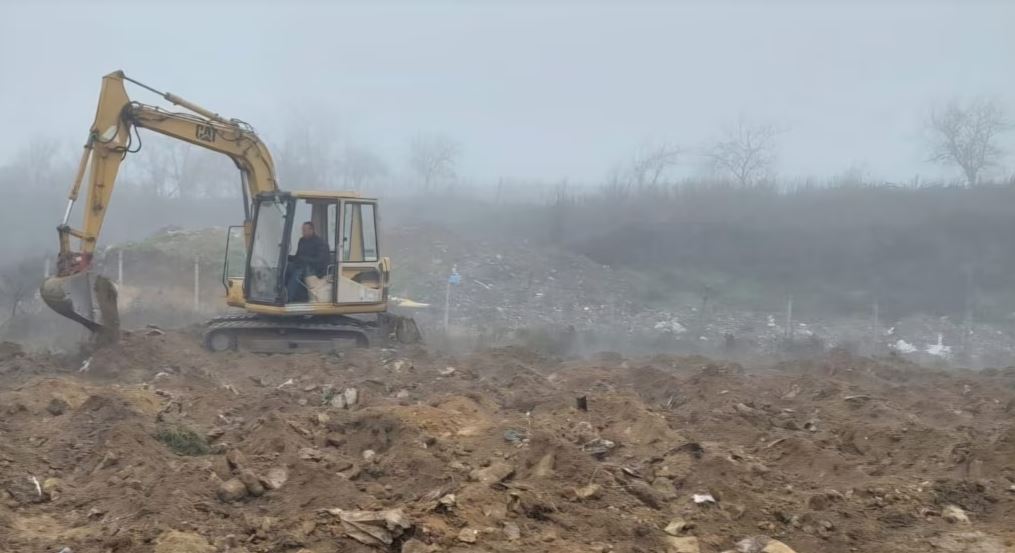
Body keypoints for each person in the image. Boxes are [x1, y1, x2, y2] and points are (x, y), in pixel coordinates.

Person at [285, 221, 330, 302]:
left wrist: (304, 259)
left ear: (311, 230)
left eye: (305, 230)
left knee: (298, 272)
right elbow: (297, 257)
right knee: (286, 267)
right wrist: (287, 257)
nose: (303, 232)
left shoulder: (320, 243)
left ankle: (288, 298)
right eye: (302, 230)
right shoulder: (301, 241)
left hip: (315, 270)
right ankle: (279, 293)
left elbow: (320, 260)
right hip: (301, 265)